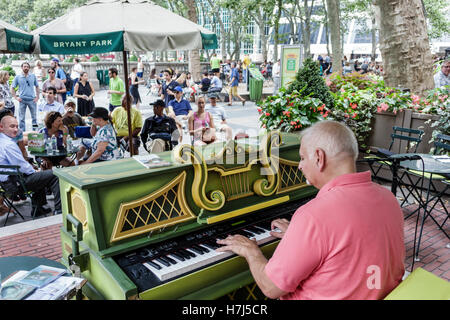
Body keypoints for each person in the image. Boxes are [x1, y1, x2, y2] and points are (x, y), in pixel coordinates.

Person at [216, 121, 405, 300]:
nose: (299, 165)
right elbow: (352, 245)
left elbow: (270, 287)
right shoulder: (389, 198)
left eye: (302, 157)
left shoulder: (314, 215)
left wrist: (252, 252)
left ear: (319, 158)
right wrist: (303, 239)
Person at [0, 115, 61, 216]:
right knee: (55, 174)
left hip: (6, 184)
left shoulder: (3, 141)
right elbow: (21, 166)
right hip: (15, 184)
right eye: (12, 126)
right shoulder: (8, 144)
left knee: (40, 176)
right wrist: (34, 171)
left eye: (16, 126)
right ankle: (59, 210)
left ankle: (38, 209)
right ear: (1, 127)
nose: (16, 129)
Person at [11, 61, 40, 131]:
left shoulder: (33, 76)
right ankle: (22, 133)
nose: (26, 68)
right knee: (21, 118)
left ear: (29, 68)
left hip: (32, 99)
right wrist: (16, 97)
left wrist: (37, 97)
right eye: (24, 66)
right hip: (22, 100)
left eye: (27, 67)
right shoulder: (18, 77)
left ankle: (35, 131)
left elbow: (37, 86)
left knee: (34, 118)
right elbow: (12, 87)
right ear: (22, 68)